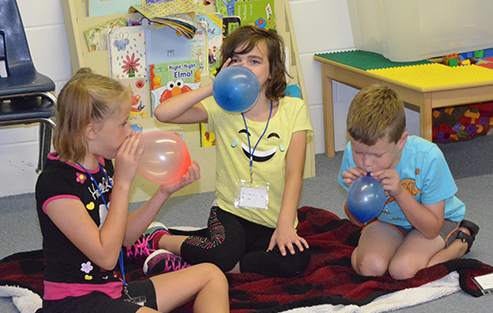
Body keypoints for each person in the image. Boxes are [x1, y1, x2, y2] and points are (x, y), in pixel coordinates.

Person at [35, 68, 230, 313]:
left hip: (114, 291)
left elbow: (125, 237)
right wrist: (123, 183)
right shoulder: (55, 183)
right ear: (91, 131)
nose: (129, 131)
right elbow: (105, 256)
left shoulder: (103, 163)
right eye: (123, 123)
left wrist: (163, 192)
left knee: (212, 274)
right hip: (78, 303)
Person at [142, 25, 312, 277]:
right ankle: (161, 240)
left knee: (295, 260)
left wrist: (285, 225)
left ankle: (206, 258)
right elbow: (163, 113)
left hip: (272, 218)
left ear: (272, 71)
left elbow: (295, 173)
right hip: (230, 212)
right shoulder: (220, 109)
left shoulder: (293, 109)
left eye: (254, 61)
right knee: (223, 252)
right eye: (236, 61)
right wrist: (214, 86)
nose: (243, 68)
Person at [338, 84, 480, 280]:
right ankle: (395, 245)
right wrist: (355, 193)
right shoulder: (353, 154)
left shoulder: (428, 157)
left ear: (401, 142)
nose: (366, 162)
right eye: (358, 152)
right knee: (369, 267)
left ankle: (461, 241)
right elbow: (357, 220)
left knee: (403, 270)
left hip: (436, 221)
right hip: (390, 221)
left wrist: (400, 193)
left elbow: (431, 229)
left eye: (377, 155)